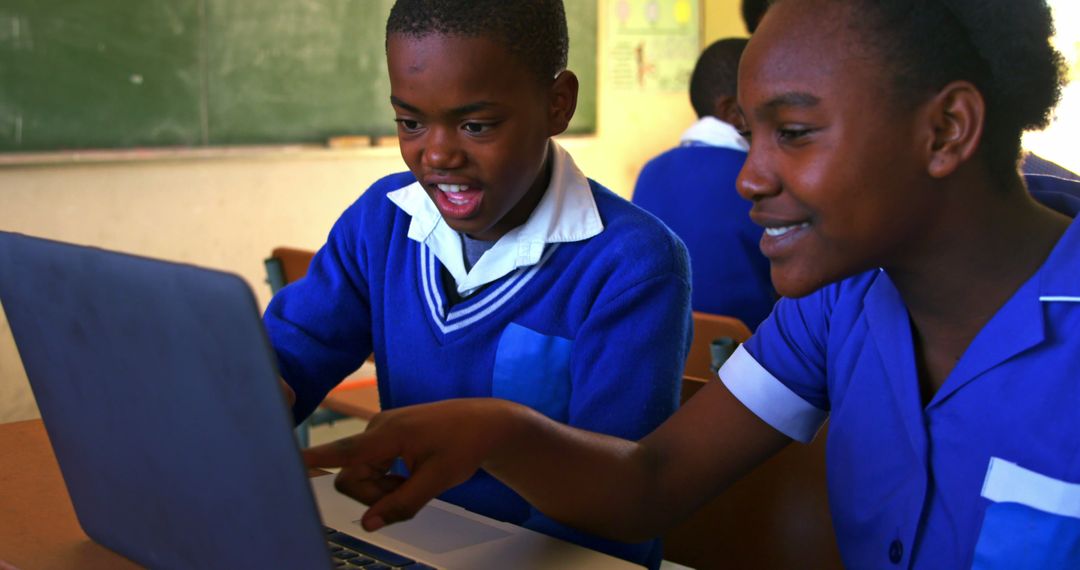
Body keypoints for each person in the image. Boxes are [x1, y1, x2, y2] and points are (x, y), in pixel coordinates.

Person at [303, 0, 1080, 568]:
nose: (748, 178)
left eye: (794, 133)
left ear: (944, 130)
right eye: (750, 134)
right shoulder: (836, 306)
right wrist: (498, 431)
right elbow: (652, 483)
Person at [263, 0, 691, 566]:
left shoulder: (632, 264)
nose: (437, 154)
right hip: (398, 534)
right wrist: (251, 392)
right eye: (411, 123)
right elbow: (291, 357)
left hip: (550, 555)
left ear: (558, 104)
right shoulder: (382, 221)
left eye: (476, 125)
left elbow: (617, 508)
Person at [632, 38, 775, 329]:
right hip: (748, 348)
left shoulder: (651, 171)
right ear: (733, 112)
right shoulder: (760, 177)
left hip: (660, 343)